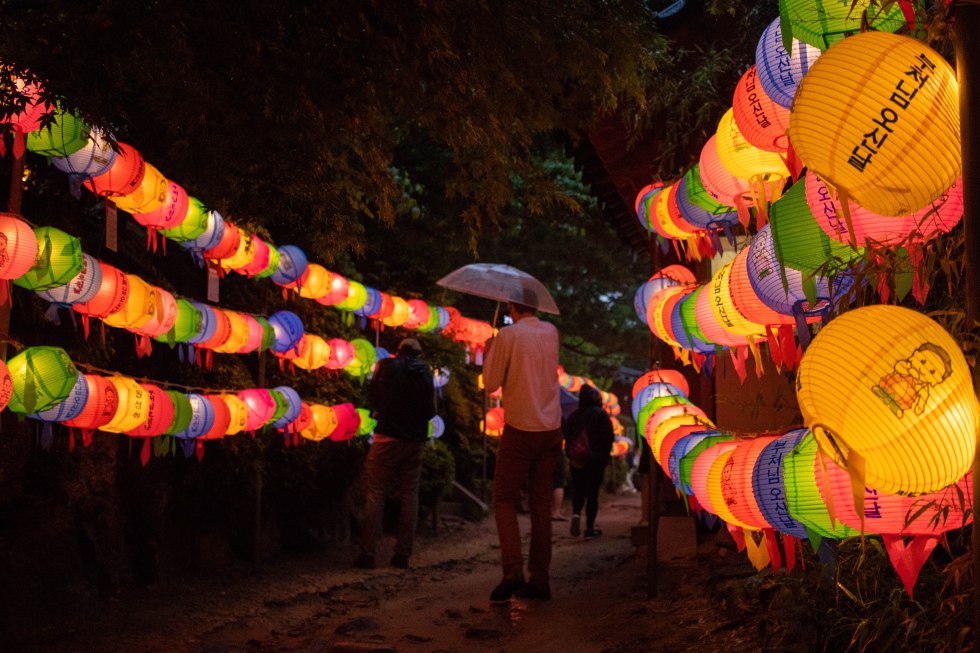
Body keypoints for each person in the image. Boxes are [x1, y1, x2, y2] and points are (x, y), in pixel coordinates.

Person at [482, 300, 561, 602]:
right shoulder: (551, 332)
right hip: (551, 428)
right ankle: (540, 578)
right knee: (540, 503)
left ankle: (513, 570)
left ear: (513, 308)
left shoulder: (509, 335)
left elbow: (490, 383)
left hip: (520, 428)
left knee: (504, 497)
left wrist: (491, 351)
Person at [355, 338, 436, 570]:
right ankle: (402, 553)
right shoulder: (426, 374)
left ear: (398, 351)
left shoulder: (387, 367)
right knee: (410, 496)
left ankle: (368, 553)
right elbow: (431, 410)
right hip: (414, 442)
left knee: (376, 494)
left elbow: (373, 397)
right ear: (419, 354)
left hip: (386, 438)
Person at [564, 384, 614, 538]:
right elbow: (608, 437)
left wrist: (570, 455)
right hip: (596, 459)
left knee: (578, 490)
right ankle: (590, 528)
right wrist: (605, 456)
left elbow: (568, 437)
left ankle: (576, 515)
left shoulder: (574, 416)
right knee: (592, 493)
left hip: (577, 459)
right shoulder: (601, 414)